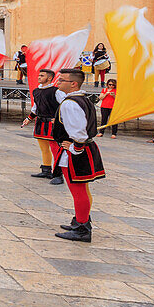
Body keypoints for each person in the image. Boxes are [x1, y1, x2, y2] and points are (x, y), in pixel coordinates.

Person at [52, 68, 106, 243]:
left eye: (61, 80)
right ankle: (81, 220)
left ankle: (82, 228)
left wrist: (74, 148)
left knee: (78, 191)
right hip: (83, 149)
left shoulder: (70, 103)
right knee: (82, 189)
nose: (57, 83)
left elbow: (79, 133)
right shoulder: (82, 99)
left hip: (77, 151)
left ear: (73, 83)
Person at [21, 68, 63, 183]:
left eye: (42, 75)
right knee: (44, 148)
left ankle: (58, 174)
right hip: (40, 122)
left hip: (53, 123)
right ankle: (46, 170)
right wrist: (29, 118)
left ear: (49, 78)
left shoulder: (56, 91)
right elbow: (36, 107)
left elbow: (64, 105)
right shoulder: (36, 91)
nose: (39, 77)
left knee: (56, 149)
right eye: (39, 75)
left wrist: (60, 119)